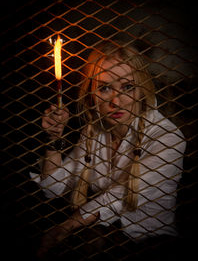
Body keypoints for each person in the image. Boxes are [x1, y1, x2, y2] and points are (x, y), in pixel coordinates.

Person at [31, 40, 186, 259]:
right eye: (104, 88)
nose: (116, 101)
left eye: (127, 87)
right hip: (103, 241)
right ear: (91, 93)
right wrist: (54, 139)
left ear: (142, 90)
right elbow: (53, 188)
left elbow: (119, 197)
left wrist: (65, 227)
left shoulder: (168, 139)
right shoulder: (94, 131)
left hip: (153, 244)